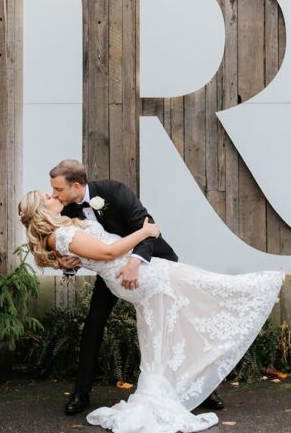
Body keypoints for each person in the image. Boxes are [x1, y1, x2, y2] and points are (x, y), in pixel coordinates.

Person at [18, 189, 284, 433]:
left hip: (133, 274)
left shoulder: (73, 219)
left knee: (162, 335)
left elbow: (87, 250)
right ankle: (260, 288)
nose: (53, 195)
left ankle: (174, 389)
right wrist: (145, 232)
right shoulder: (61, 235)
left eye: (53, 191)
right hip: (136, 275)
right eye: (47, 196)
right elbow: (108, 251)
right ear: (41, 209)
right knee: (208, 288)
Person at [47, 160, 225, 415]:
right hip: (111, 276)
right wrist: (66, 265)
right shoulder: (66, 212)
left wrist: (134, 263)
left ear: (76, 186)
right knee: (93, 324)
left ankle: (204, 390)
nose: (54, 194)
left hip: (153, 264)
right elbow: (76, 253)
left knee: (177, 326)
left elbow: (148, 227)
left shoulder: (113, 191)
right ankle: (81, 393)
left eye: (58, 189)